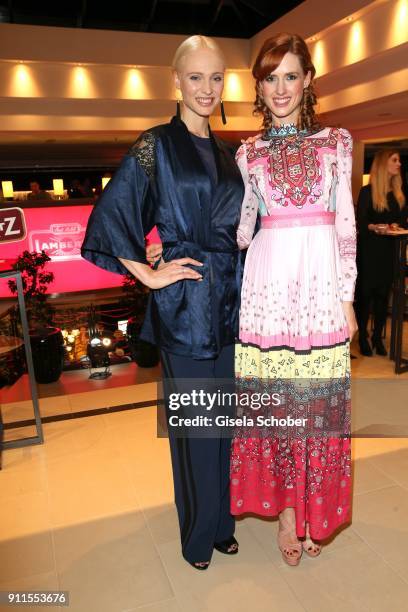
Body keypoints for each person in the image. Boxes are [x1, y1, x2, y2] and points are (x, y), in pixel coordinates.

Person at [81, 35, 244, 570]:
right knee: (197, 428)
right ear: (176, 81)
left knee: (223, 424)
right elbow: (111, 214)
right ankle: (197, 536)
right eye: (196, 77)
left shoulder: (228, 152)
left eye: (216, 77)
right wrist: (148, 275)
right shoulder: (155, 144)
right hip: (184, 307)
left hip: (230, 304)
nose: (207, 88)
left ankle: (221, 524)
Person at [229, 33, 357, 566]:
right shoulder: (248, 153)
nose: (279, 87)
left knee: (318, 408)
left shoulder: (336, 143)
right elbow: (243, 227)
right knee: (279, 405)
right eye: (269, 77)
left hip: (321, 287)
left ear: (307, 79)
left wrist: (348, 297)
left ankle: (314, 510)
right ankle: (287, 513)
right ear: (258, 85)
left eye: (290, 75)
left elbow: (346, 224)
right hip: (268, 290)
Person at [355, 150, 407, 356]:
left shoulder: (398, 194)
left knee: (383, 296)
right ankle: (363, 338)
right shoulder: (368, 192)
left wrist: (395, 224)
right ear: (383, 164)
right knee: (365, 296)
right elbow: (362, 220)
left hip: (389, 251)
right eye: (395, 160)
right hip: (370, 250)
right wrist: (374, 227)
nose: (399, 164)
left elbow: (402, 220)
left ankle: (377, 336)